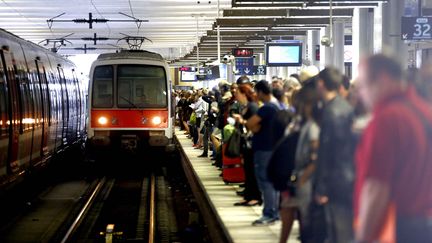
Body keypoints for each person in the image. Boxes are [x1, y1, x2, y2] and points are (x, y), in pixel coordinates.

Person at [355, 54, 432, 243]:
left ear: (382, 79)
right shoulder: (424, 111)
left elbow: (376, 187)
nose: (360, 94)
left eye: (363, 86)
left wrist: (363, 237)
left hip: (397, 228)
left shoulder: (387, 119)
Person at [314, 67, 355, 243]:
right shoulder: (343, 107)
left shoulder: (332, 112)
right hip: (345, 179)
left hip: (337, 182)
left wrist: (322, 187)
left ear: (321, 83)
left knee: (339, 233)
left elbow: (329, 151)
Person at [246, 80, 281, 226]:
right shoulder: (277, 105)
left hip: (264, 149)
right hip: (273, 148)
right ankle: (274, 212)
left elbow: (250, 124)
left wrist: (254, 128)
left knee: (265, 181)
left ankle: (269, 213)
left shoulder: (267, 108)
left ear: (260, 92)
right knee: (272, 181)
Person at [232, 76, 262, 207]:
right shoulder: (246, 106)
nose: (235, 95)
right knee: (247, 170)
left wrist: (242, 121)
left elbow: (256, 126)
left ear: (244, 93)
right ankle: (248, 195)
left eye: (237, 93)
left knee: (252, 170)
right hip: (246, 142)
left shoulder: (253, 107)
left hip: (253, 143)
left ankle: (255, 197)